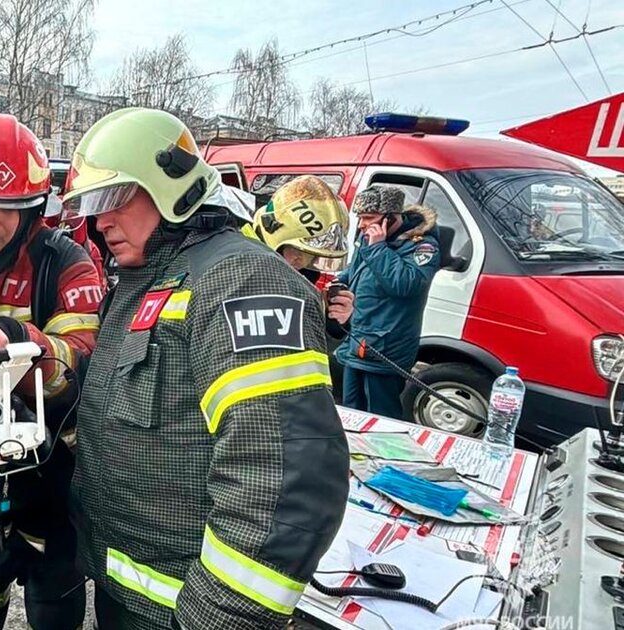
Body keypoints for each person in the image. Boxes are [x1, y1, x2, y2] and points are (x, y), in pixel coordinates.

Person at [61, 108, 349, 630]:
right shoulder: (141, 281)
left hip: (186, 612)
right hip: (124, 591)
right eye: (89, 205)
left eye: (111, 198)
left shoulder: (240, 281)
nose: (98, 222)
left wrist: (217, 616)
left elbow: (281, 481)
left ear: (170, 184)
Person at [0, 114, 104, 630]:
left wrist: (18, 341)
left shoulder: (65, 262)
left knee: (55, 600)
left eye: (7, 209)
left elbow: (82, 362)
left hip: (52, 472)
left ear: (33, 209)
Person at [334, 185, 441, 418]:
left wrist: (379, 248)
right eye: (360, 218)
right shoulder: (369, 240)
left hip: (386, 348)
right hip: (359, 340)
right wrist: (337, 284)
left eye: (368, 218)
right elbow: (355, 271)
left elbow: (406, 284)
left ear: (391, 218)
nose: (361, 224)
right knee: (352, 412)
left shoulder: (422, 246)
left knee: (381, 417)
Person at [251, 174, 356, 334]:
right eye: (299, 252)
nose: (302, 263)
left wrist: (331, 325)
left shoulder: (301, 281)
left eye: (312, 256)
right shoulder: (238, 271)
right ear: (274, 232)